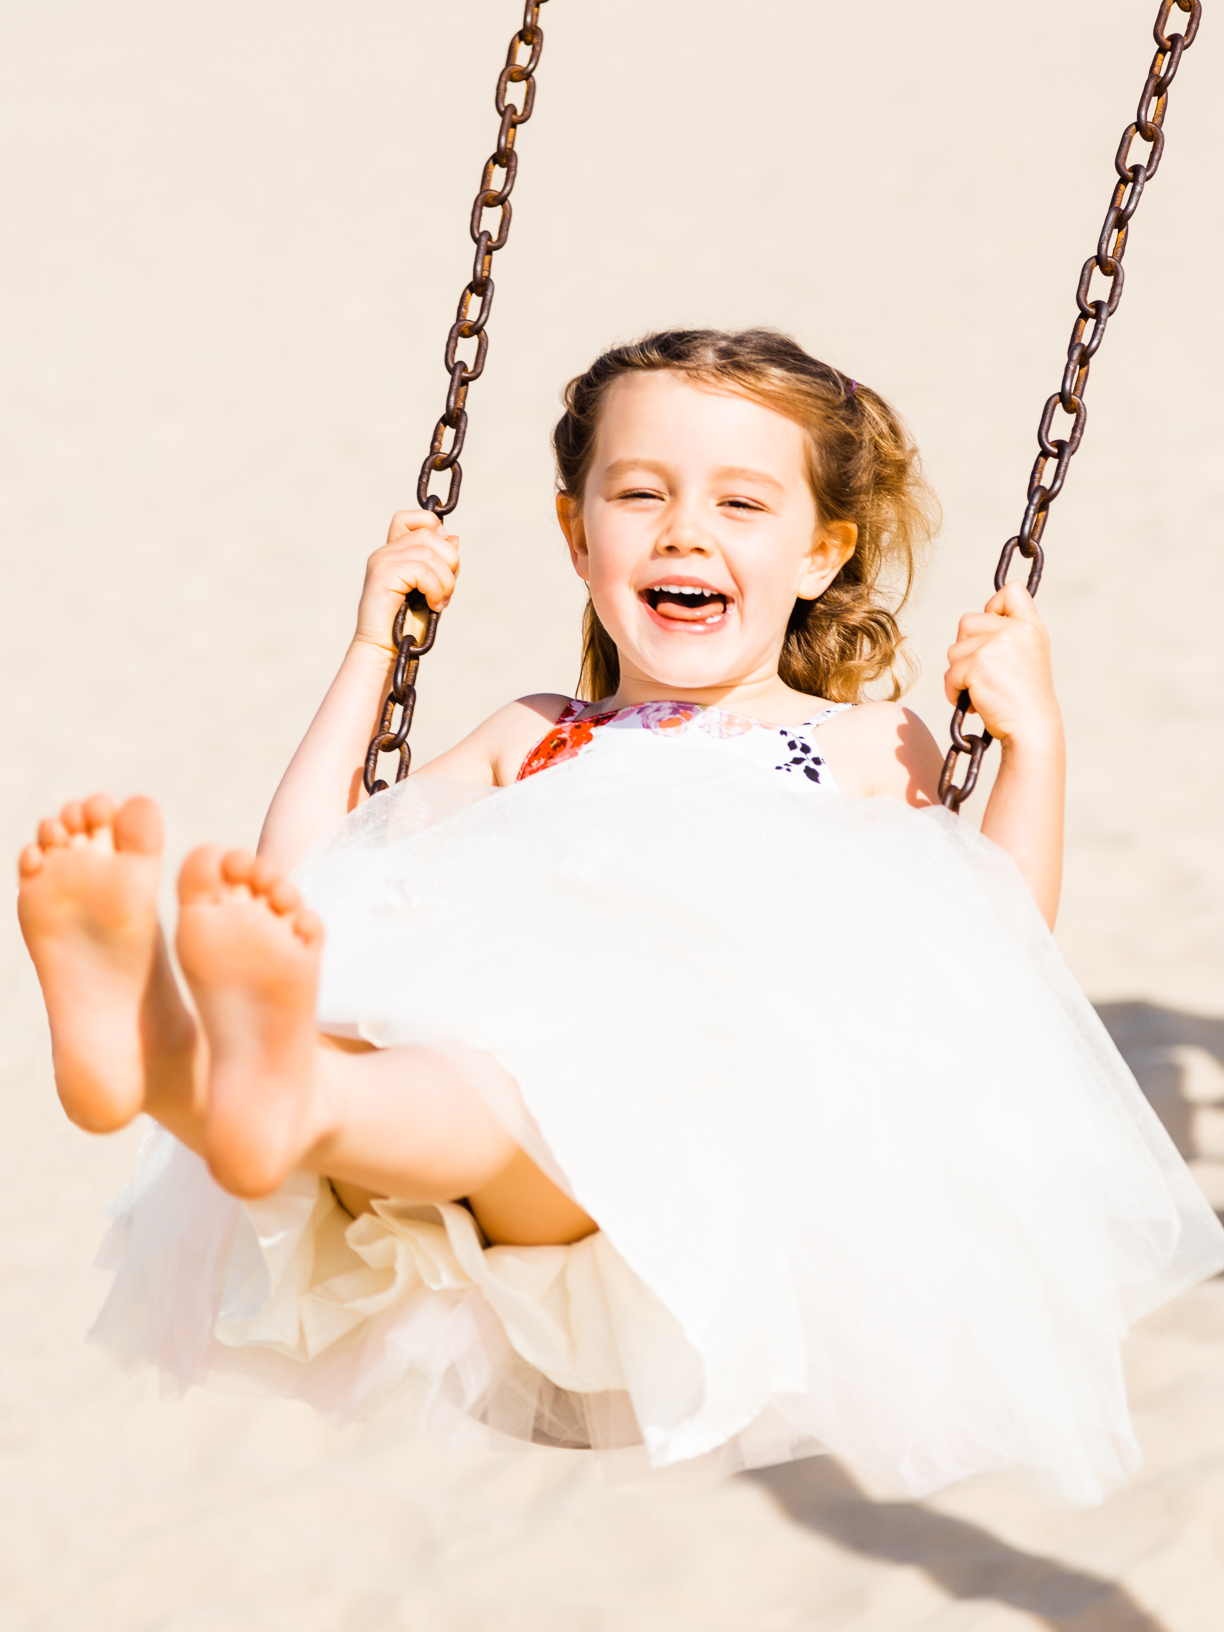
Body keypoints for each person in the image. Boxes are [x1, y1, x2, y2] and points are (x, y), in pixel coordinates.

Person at [17, 329, 1224, 1500]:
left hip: (674, 1154)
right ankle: (173, 1067)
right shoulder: (537, 731)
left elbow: (990, 954)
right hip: (474, 1085)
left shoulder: (857, 741)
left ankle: (267, 1089)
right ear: (577, 534)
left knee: (506, 1094)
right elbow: (322, 875)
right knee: (380, 1041)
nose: (684, 529)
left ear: (821, 553)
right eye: (639, 494)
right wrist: (371, 650)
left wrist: (1036, 745)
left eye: (742, 505)